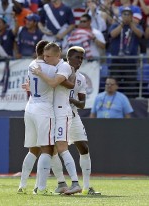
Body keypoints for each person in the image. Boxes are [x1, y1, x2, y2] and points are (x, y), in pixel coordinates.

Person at [50, 46, 101, 195]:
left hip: (72, 113)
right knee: (52, 150)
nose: (80, 61)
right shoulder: (59, 71)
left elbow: (83, 103)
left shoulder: (81, 78)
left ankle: (86, 187)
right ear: (68, 58)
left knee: (84, 148)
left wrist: (70, 99)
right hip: (57, 114)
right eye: (77, 57)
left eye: (82, 58)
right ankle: (61, 183)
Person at [31, 42, 81, 195]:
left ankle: (75, 183)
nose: (45, 59)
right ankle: (61, 183)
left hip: (61, 113)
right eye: (44, 56)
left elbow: (53, 83)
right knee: (51, 150)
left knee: (61, 147)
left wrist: (39, 73)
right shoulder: (54, 67)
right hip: (53, 113)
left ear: (57, 56)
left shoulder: (64, 67)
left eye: (48, 56)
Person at [17, 40, 56, 195]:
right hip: (44, 109)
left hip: (30, 107)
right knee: (47, 149)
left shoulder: (31, 64)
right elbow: (58, 83)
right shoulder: (51, 68)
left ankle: (22, 185)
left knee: (33, 149)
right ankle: (41, 188)